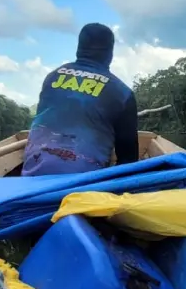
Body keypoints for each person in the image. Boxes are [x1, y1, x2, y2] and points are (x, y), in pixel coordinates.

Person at [22, 23, 139, 176]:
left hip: (32, 176)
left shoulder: (52, 77)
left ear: (79, 47)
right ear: (110, 52)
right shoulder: (122, 93)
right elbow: (128, 161)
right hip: (84, 184)